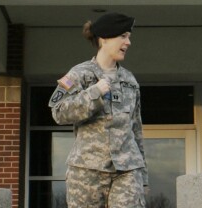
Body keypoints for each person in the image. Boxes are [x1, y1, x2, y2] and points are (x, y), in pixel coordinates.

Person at [49, 12, 148, 208]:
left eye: (128, 37)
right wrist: (94, 93)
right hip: (87, 171)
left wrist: (143, 178)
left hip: (127, 170)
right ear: (104, 39)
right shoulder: (78, 74)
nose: (128, 42)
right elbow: (58, 111)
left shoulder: (130, 80)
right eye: (123, 36)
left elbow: (136, 129)